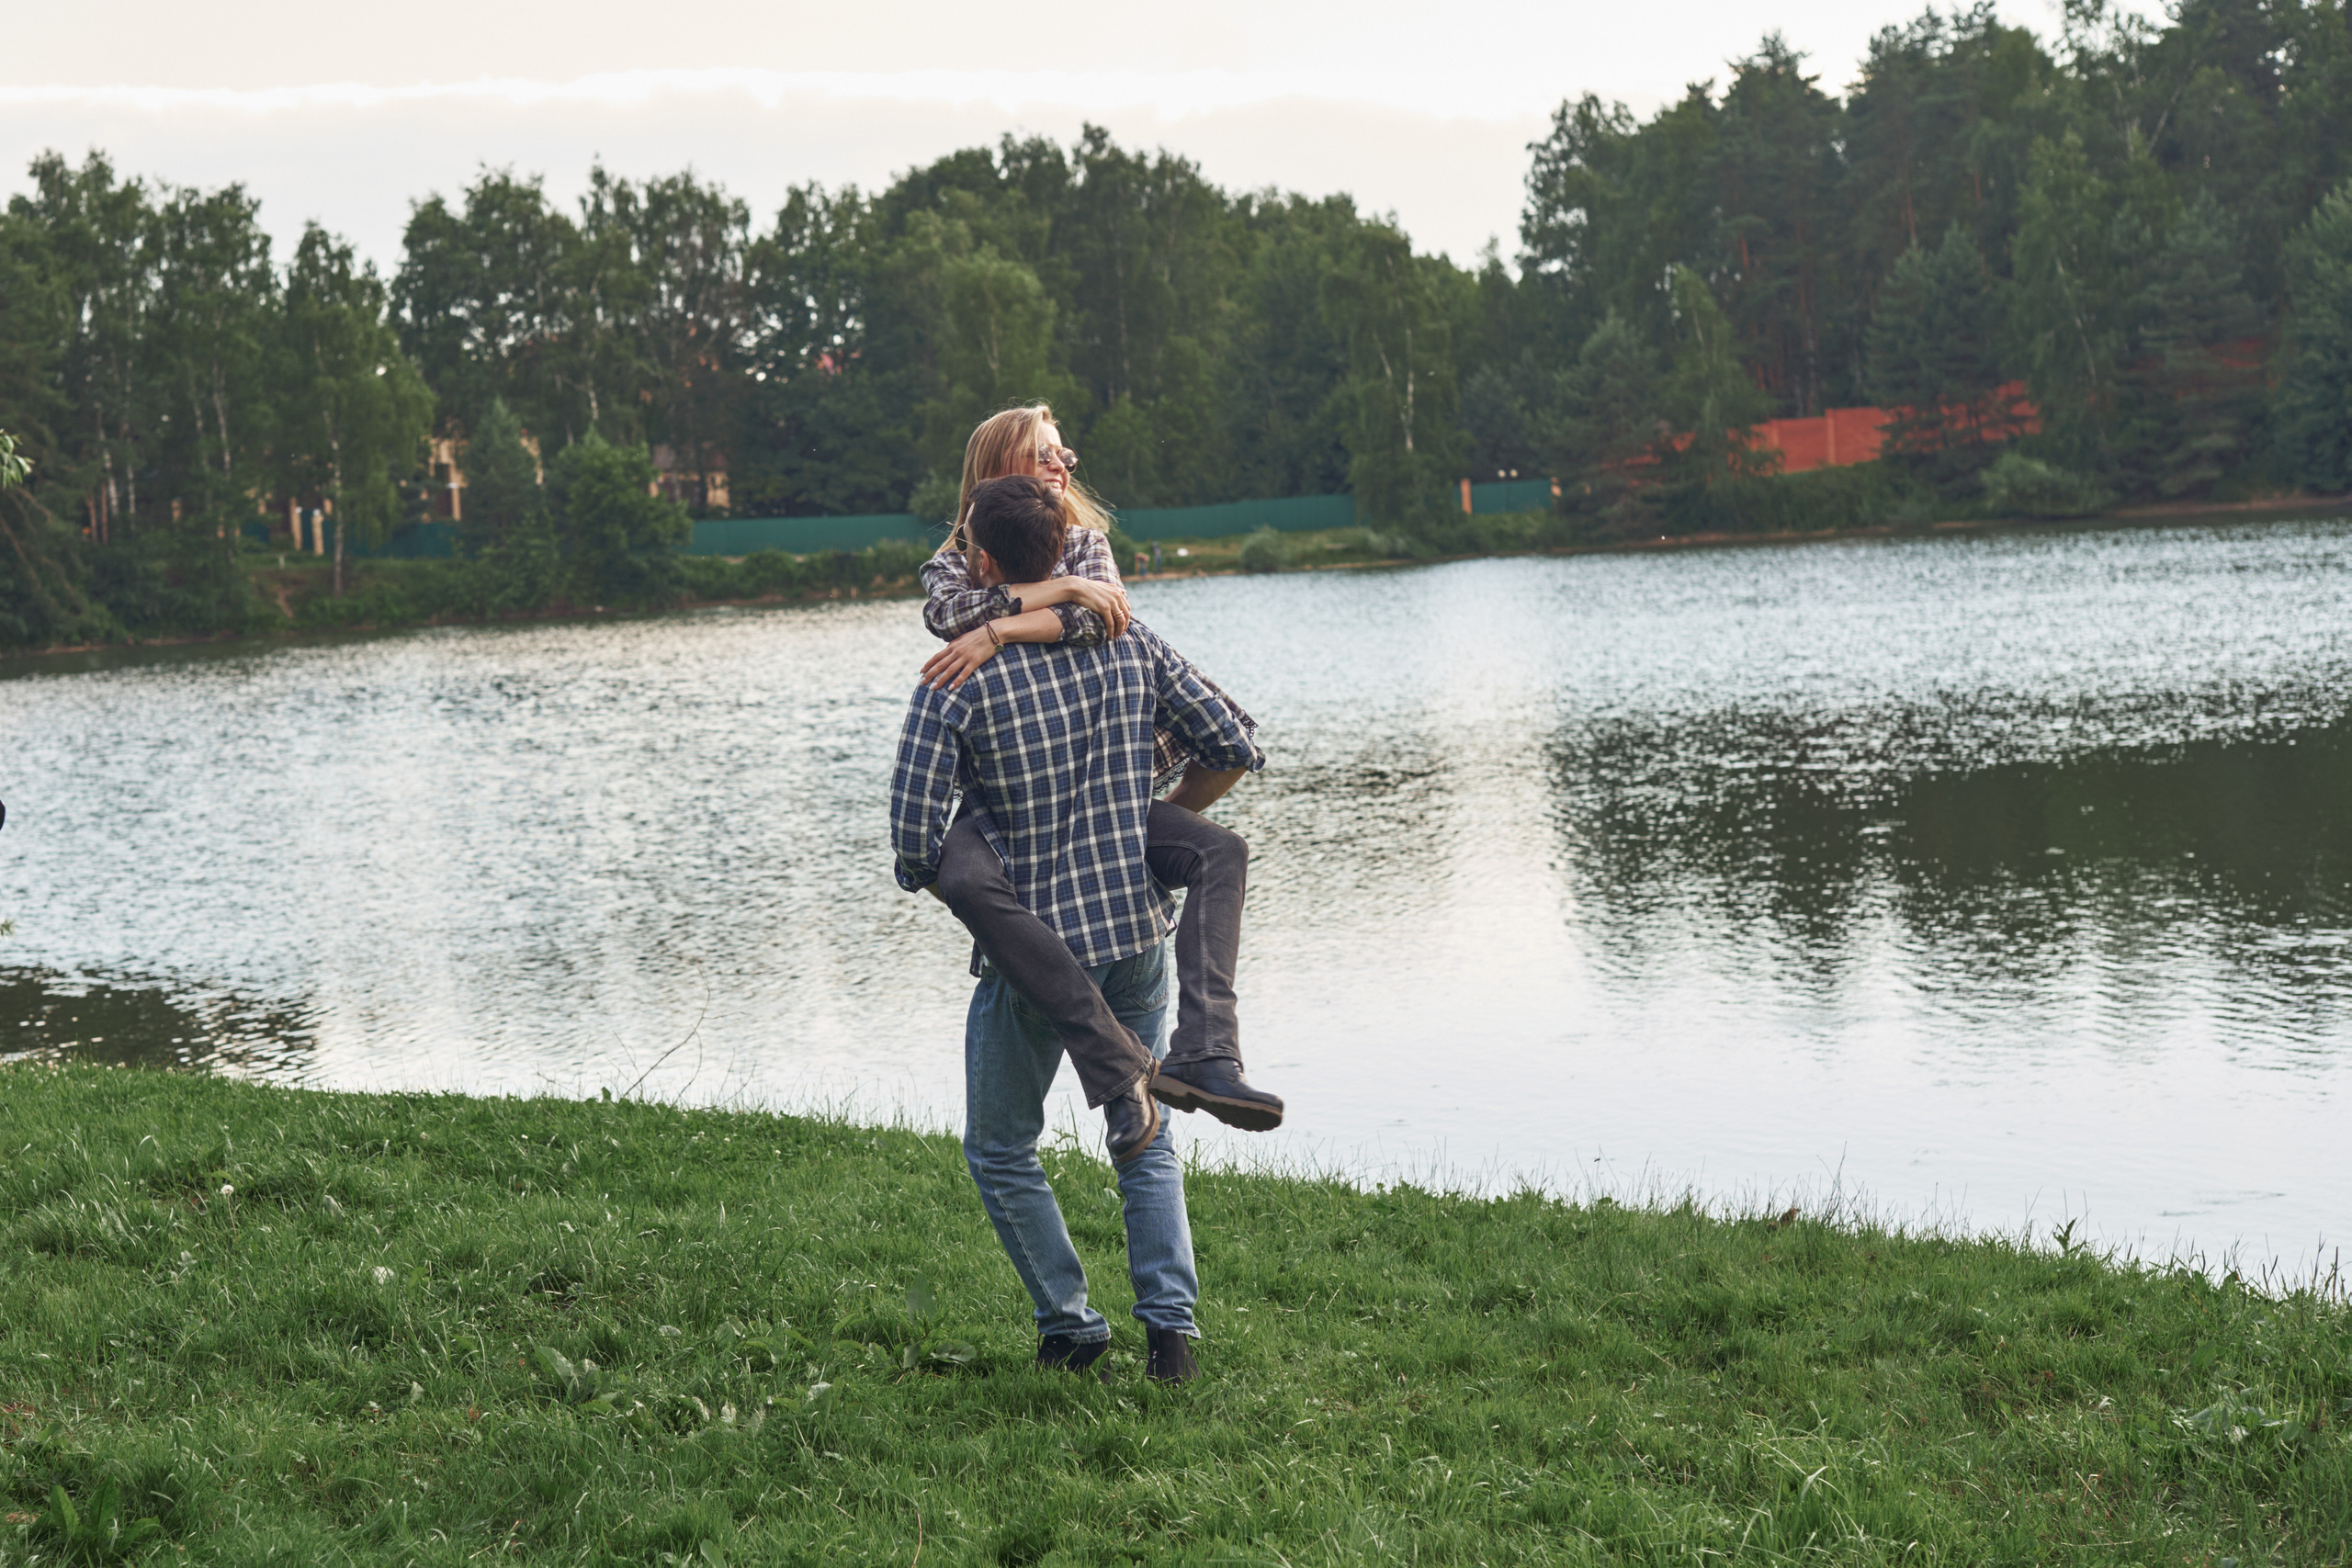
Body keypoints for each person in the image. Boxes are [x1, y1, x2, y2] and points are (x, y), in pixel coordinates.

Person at [891, 475, 1265, 1382]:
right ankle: (1170, 1337)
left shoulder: (957, 679)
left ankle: (1070, 1324)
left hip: (1036, 957)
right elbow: (1233, 744)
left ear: (984, 563)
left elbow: (912, 834)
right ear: (1064, 552)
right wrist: (1145, 827)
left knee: (999, 1148)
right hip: (1136, 936)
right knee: (1144, 1131)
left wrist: (966, 885)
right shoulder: (1130, 641)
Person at [917, 404, 1283, 1134]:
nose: (1061, 466)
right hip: (1010, 781)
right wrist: (1059, 592)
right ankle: (1119, 1066)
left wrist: (1002, 627)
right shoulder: (953, 559)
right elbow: (949, 615)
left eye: (1065, 455)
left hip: (1101, 775)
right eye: (1043, 454)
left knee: (1222, 851)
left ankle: (1208, 1051)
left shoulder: (1085, 542)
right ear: (994, 472)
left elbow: (1105, 618)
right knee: (963, 874)